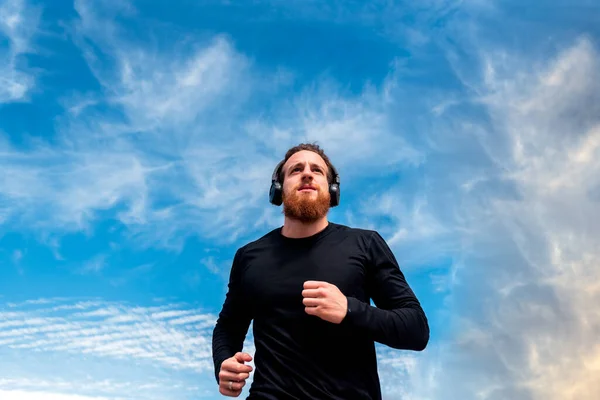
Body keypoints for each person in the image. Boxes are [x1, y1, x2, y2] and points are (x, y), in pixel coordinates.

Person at [212, 143, 429, 399]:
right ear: (279, 188)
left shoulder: (365, 244)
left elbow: (416, 329)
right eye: (295, 170)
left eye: (317, 170)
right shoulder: (249, 256)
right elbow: (228, 326)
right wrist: (224, 363)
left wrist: (349, 310)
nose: (307, 174)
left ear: (332, 189)